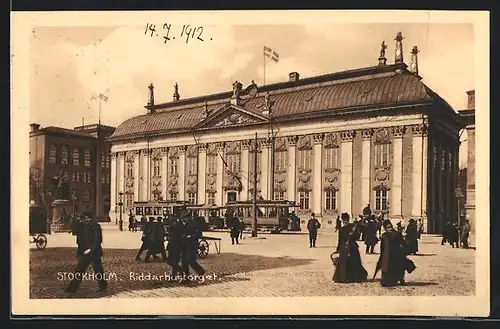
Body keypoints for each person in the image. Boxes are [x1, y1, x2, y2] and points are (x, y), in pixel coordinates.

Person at [66, 213, 107, 293]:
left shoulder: (95, 226)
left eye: (83, 219)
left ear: (89, 218)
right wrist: (76, 221)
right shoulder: (81, 226)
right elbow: (73, 231)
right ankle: (72, 288)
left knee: (98, 270)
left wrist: (90, 249)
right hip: (84, 252)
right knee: (79, 270)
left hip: (94, 252)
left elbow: (98, 240)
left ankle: (103, 285)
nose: (82, 221)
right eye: (81, 219)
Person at [375, 220, 415, 287]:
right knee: (386, 274)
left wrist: (407, 247)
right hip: (386, 255)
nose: (389, 228)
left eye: (390, 227)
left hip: (396, 254)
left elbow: (403, 243)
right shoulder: (384, 235)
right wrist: (381, 257)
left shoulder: (397, 234)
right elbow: (382, 247)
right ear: (385, 228)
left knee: (398, 268)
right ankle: (390, 280)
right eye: (388, 227)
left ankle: (400, 279)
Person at [332, 216, 368, 283]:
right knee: (343, 263)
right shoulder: (341, 229)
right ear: (342, 221)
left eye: (346, 221)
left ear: (348, 221)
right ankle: (343, 277)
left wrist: (353, 234)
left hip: (352, 247)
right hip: (344, 247)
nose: (345, 222)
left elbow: (357, 237)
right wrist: (338, 250)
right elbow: (340, 240)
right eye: (344, 221)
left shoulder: (352, 228)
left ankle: (354, 277)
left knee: (354, 262)